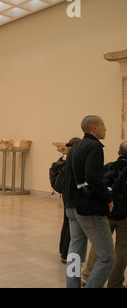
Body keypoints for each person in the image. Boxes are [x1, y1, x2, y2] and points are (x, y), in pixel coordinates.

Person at [62, 115, 114, 288]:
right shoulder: (94, 147)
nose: (105, 129)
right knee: (107, 258)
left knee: (75, 253)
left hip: (72, 207)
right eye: (103, 125)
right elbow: (93, 178)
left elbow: (67, 179)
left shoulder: (75, 148)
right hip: (88, 208)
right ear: (94, 128)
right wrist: (108, 198)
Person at [82, 140, 127, 288]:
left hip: (106, 212)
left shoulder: (109, 166)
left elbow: (97, 184)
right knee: (122, 250)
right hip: (125, 216)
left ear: (119, 152)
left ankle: (88, 277)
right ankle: (115, 283)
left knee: (99, 246)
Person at [54, 137, 81, 264]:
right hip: (72, 196)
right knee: (71, 225)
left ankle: (63, 250)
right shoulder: (74, 161)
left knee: (67, 223)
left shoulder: (64, 159)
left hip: (66, 195)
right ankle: (66, 253)